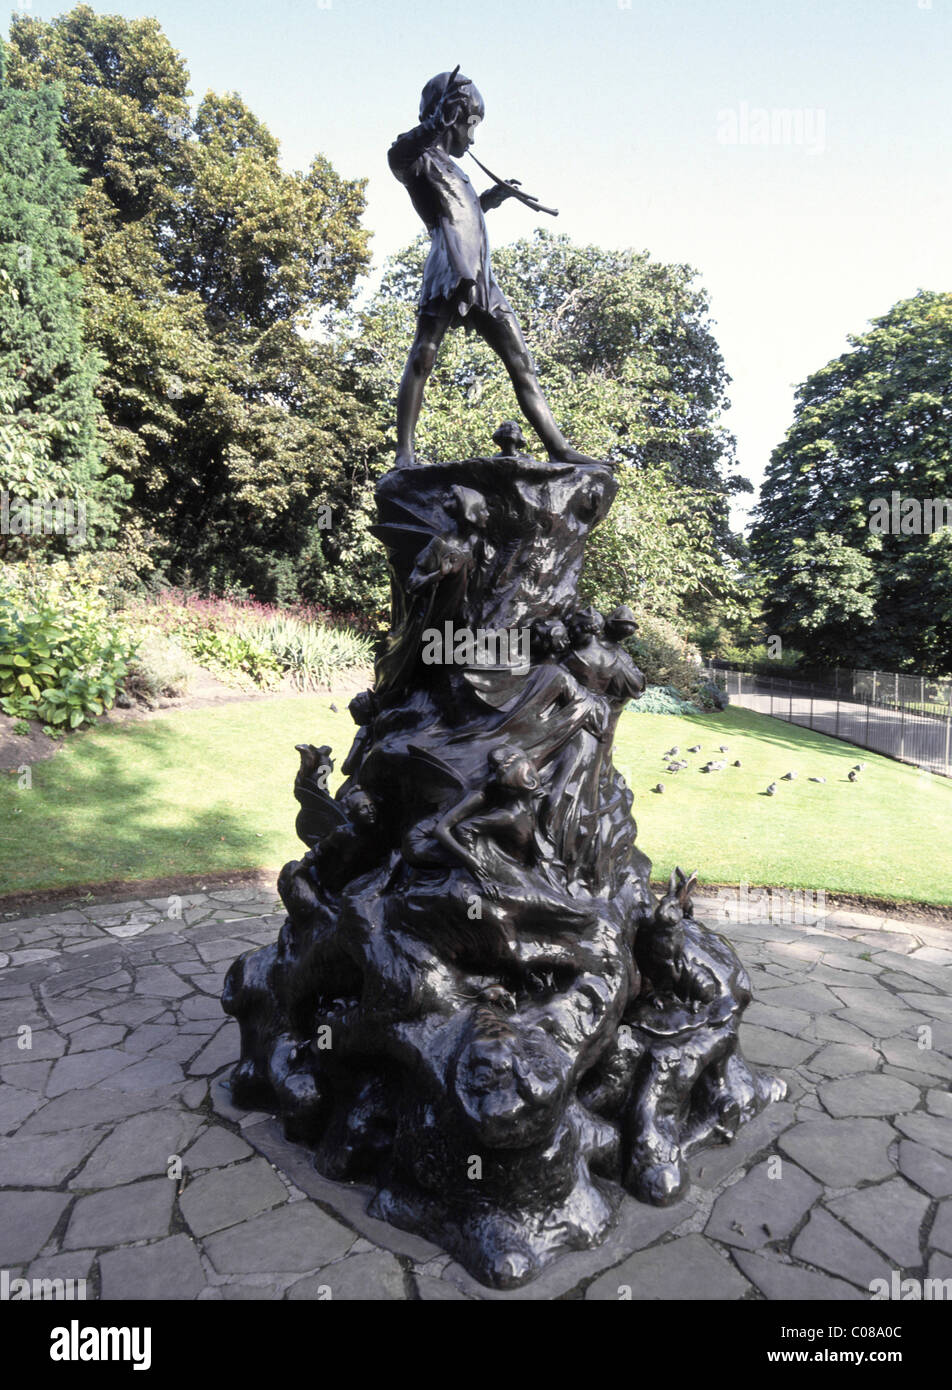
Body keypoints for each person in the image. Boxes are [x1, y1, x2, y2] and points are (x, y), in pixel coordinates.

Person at [388, 70, 601, 469]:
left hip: (483, 279)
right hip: (448, 270)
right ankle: (404, 454)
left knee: (521, 361)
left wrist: (491, 198)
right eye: (470, 124)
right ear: (451, 116)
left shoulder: (458, 171)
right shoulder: (419, 161)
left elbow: (464, 213)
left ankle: (558, 447)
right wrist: (433, 126)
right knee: (423, 357)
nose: (472, 137)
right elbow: (396, 155)